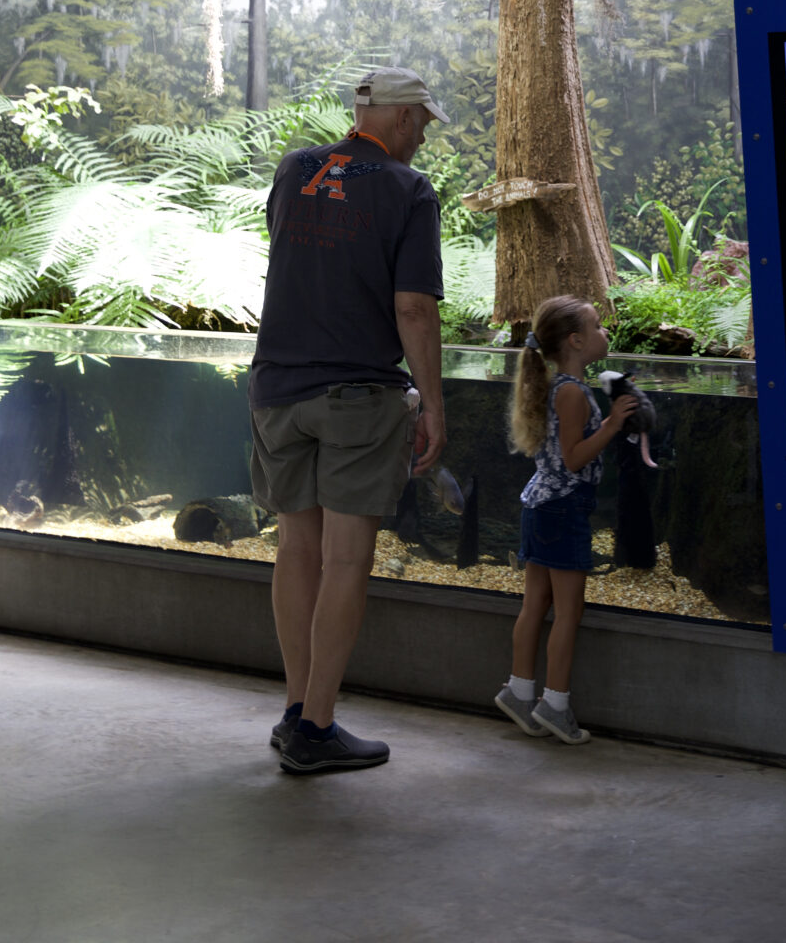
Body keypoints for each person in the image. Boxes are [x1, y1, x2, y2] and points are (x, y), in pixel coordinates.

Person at [250, 66, 449, 774]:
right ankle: (318, 726)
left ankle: (295, 708)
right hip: (358, 398)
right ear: (397, 119)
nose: (423, 135)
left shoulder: (293, 169)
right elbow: (414, 309)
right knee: (345, 560)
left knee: (296, 552)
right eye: (422, 122)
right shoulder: (407, 190)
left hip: (278, 390)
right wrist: (433, 400)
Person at [492, 295, 638, 745]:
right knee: (568, 612)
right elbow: (574, 459)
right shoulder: (572, 392)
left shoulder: (561, 386)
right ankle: (555, 704)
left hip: (540, 504)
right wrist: (612, 425)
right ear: (576, 341)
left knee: (535, 604)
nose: (604, 332)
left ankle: (519, 691)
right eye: (597, 326)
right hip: (563, 507)